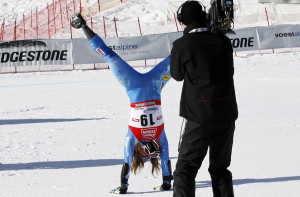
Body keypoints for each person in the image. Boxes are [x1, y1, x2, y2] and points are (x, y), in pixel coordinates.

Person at [71, 13, 173, 194]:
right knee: (179, 56)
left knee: (110, 57)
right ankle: (206, 28)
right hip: (156, 84)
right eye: (151, 153)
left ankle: (83, 27)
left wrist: (124, 186)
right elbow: (165, 159)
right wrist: (166, 183)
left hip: (133, 85)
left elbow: (127, 161)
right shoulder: (160, 136)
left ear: (138, 154)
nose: (148, 151)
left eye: (144, 155)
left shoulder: (132, 138)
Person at [170, 1, 238, 197]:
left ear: (183, 21)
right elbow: (230, 71)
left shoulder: (182, 45)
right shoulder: (223, 40)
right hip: (226, 113)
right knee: (220, 169)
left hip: (199, 116)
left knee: (185, 170)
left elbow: (176, 75)